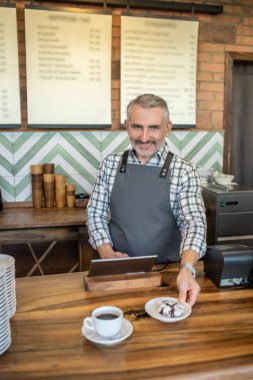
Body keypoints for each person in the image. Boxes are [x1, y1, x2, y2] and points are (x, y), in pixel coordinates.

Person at [86, 94, 207, 307]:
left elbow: (194, 223)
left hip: (170, 274)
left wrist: (187, 269)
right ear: (126, 126)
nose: (144, 137)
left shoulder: (184, 171)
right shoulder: (110, 165)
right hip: (119, 272)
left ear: (167, 128)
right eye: (137, 127)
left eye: (153, 128)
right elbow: (95, 213)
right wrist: (107, 254)